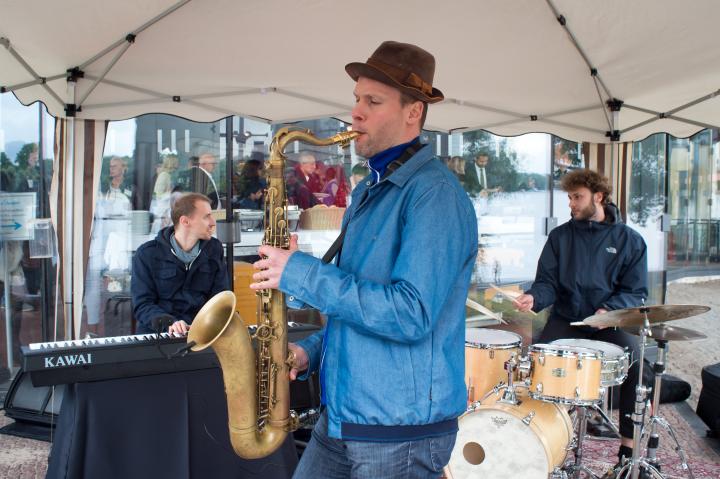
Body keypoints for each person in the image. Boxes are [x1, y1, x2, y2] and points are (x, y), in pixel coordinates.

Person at [249, 41, 478, 478]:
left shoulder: (435, 195)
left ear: (414, 112)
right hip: (345, 417)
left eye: (373, 102)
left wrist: (297, 271)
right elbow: (359, 305)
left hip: (399, 431)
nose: (355, 112)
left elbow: (410, 313)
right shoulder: (369, 191)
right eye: (356, 99)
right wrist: (310, 351)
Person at [514, 168, 647, 467]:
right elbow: (546, 282)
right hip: (567, 319)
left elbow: (636, 291)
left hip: (607, 323)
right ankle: (545, 438)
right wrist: (534, 297)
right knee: (537, 361)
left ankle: (627, 450)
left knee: (638, 364)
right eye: (570, 197)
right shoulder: (560, 237)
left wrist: (609, 312)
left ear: (598, 197)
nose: (571, 203)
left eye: (577, 197)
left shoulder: (630, 241)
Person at [132, 193, 228, 335]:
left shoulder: (214, 249)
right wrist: (170, 323)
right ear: (185, 221)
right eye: (206, 216)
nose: (213, 222)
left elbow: (220, 298)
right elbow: (142, 305)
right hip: (157, 336)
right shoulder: (146, 254)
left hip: (201, 333)